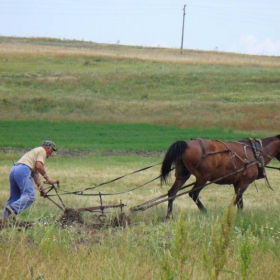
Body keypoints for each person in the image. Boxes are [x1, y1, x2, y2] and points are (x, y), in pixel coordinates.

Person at [3, 140, 58, 218]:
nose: (51, 153)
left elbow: (36, 175)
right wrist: (48, 178)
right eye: (52, 151)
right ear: (48, 148)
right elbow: (39, 166)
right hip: (23, 170)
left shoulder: (34, 152)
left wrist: (42, 190)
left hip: (14, 169)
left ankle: (4, 220)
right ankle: (13, 208)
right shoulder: (42, 150)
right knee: (30, 196)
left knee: (14, 197)